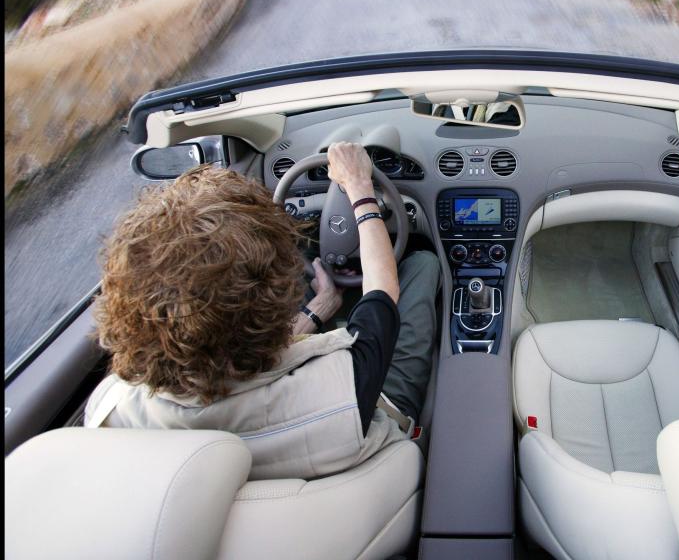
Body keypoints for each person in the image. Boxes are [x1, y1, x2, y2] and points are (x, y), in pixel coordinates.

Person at [83, 142, 439, 480]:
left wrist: (317, 310)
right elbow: (381, 292)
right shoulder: (344, 384)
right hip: (379, 415)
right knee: (423, 264)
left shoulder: (112, 408)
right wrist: (360, 187)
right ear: (272, 304)